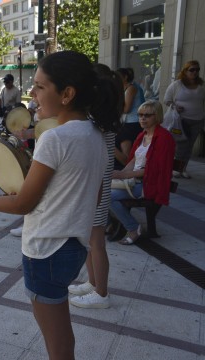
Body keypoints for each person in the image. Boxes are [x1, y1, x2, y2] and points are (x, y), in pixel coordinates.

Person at [0, 51, 118, 360]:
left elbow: (23, 204)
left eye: (40, 87)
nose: (33, 94)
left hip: (46, 248)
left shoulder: (55, 138)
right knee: (61, 332)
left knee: (58, 341)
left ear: (67, 94)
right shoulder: (95, 135)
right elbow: (92, 199)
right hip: (75, 246)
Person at [68, 63, 123, 309]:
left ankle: (101, 293)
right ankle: (92, 283)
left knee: (97, 243)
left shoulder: (100, 122)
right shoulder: (104, 118)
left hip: (97, 189)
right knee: (90, 241)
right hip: (96, 187)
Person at [110, 100, 176, 245]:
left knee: (108, 197)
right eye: (140, 115)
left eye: (147, 115)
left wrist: (122, 176)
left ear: (157, 116)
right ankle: (109, 224)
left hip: (149, 184)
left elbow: (154, 170)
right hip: (135, 181)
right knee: (98, 188)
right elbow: (133, 160)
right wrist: (119, 174)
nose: (142, 118)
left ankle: (133, 228)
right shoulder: (142, 135)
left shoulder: (164, 138)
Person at [164, 60, 205, 178]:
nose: (195, 72)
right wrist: (175, 106)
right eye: (192, 70)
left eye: (197, 70)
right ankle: (176, 168)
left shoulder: (201, 85)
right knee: (181, 144)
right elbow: (167, 100)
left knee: (190, 145)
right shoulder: (177, 84)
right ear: (185, 71)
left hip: (197, 119)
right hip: (181, 120)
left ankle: (183, 168)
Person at [115, 67, 144, 169]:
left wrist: (113, 107)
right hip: (127, 122)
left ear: (125, 77)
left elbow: (126, 109)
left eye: (117, 76)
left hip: (133, 122)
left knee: (127, 147)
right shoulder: (124, 88)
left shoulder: (131, 88)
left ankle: (129, 169)